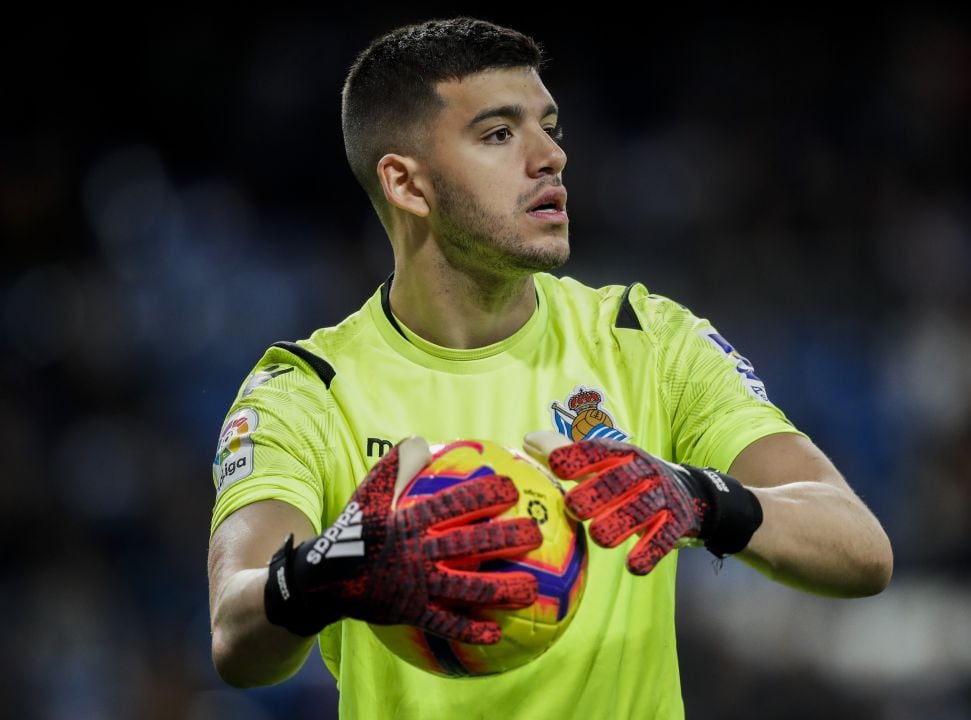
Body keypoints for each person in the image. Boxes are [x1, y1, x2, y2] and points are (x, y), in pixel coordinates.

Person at [207, 16, 893, 719]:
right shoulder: (308, 389)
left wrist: (703, 499)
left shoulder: (645, 339)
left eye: (550, 126)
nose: (550, 157)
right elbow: (235, 634)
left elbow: (860, 547)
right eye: (499, 134)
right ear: (407, 185)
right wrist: (327, 573)